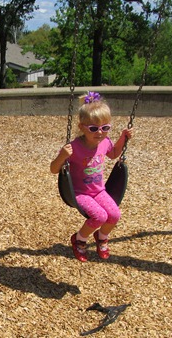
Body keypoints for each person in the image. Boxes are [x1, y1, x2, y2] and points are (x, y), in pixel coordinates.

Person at [50, 91, 134, 262]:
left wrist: (123, 138)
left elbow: (114, 154)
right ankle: (79, 239)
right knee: (100, 216)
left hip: (99, 191)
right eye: (94, 128)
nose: (100, 132)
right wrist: (62, 156)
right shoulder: (74, 148)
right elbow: (54, 169)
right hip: (80, 193)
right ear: (82, 127)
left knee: (114, 215)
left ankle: (101, 237)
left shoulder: (104, 142)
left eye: (105, 128)